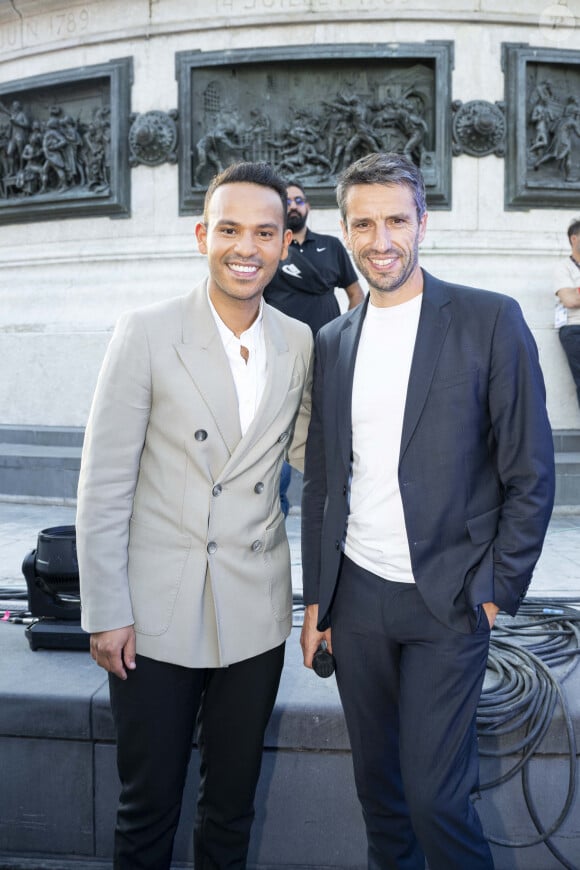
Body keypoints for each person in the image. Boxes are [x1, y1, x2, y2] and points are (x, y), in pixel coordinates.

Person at [300, 152, 555, 870]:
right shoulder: (334, 340)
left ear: (422, 223)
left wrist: (497, 592)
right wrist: (318, 598)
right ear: (344, 230)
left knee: (437, 802)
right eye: (364, 223)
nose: (381, 240)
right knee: (379, 797)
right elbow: (324, 480)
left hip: (451, 599)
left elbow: (530, 473)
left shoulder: (488, 320)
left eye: (396, 221)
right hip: (358, 600)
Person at [76, 161, 313, 870]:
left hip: (254, 607)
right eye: (231, 229)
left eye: (265, 232)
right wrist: (104, 608)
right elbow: (104, 482)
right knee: (147, 808)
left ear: (286, 242)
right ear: (201, 234)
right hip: (154, 611)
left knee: (231, 806)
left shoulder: (299, 341)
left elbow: (316, 460)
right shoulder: (146, 331)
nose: (247, 247)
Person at [264, 181, 364, 514]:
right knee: (278, 427)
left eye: (299, 200)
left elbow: (355, 292)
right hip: (280, 353)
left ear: (307, 207)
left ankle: (332, 499)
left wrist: (347, 331)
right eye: (287, 200)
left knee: (327, 424)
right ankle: (272, 507)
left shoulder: (332, 246)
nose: (293, 205)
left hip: (327, 354)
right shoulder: (271, 247)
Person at [553, 217, 580, 406]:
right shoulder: (562, 267)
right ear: (574, 238)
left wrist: (576, 290)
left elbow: (574, 295)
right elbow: (569, 300)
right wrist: (572, 294)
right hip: (574, 329)